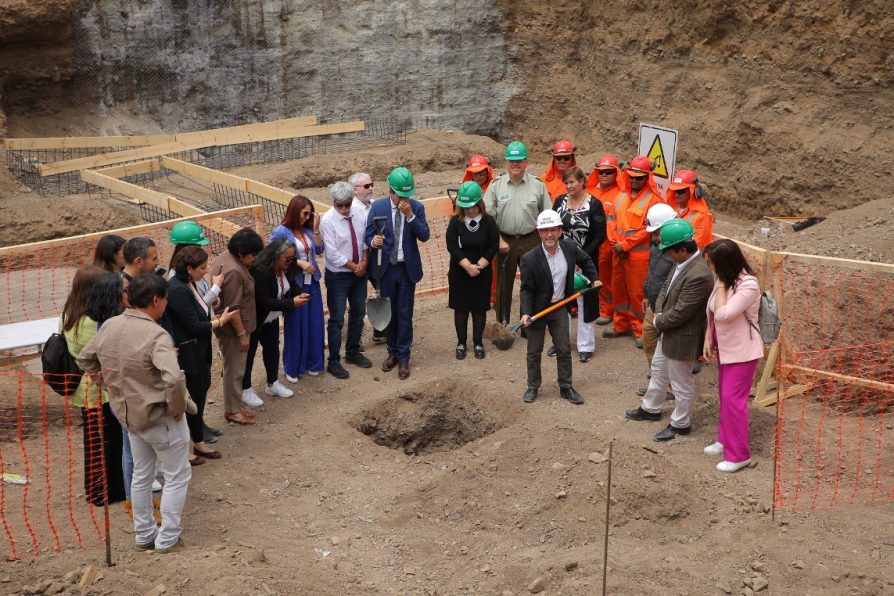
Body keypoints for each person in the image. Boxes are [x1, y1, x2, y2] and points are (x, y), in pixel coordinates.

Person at [79, 273, 196, 554]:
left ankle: (144, 534)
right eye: (165, 299)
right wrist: (177, 409)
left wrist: (108, 385)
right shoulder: (156, 334)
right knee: (177, 475)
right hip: (160, 416)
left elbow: (85, 358)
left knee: (141, 474)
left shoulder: (109, 326)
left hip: (129, 416)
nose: (167, 303)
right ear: (156, 300)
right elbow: (174, 378)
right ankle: (168, 537)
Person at [624, 219, 713, 442]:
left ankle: (681, 423)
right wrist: (659, 313)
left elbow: (682, 311)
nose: (666, 254)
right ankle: (651, 408)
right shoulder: (682, 262)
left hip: (682, 337)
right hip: (668, 330)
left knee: (681, 382)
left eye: (669, 250)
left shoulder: (699, 274)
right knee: (658, 370)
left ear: (682, 249)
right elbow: (665, 289)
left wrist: (658, 322)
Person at [60, 265, 126, 507]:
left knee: (94, 442)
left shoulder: (68, 312)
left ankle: (95, 488)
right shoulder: (91, 321)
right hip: (100, 388)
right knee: (108, 442)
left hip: (85, 389)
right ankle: (109, 490)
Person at [519, 210, 599, 405]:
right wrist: (526, 313)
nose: (549, 235)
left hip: (559, 307)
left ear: (560, 231)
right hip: (538, 311)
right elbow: (527, 289)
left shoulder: (569, 247)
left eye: (553, 230)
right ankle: (533, 386)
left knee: (563, 349)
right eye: (545, 230)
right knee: (534, 351)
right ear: (538, 232)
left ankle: (566, 387)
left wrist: (594, 279)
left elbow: (586, 260)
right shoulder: (529, 259)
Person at [166, 246, 237, 465]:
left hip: (198, 350)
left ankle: (198, 441)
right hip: (188, 352)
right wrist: (220, 321)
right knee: (188, 400)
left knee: (199, 395)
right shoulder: (177, 289)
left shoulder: (188, 284)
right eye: (202, 268)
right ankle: (185, 447)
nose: (205, 272)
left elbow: (199, 310)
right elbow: (193, 325)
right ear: (188, 268)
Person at [703, 239, 763, 473]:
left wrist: (719, 283)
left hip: (743, 351)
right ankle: (725, 438)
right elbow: (710, 311)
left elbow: (723, 313)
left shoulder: (748, 285)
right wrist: (709, 337)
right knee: (724, 396)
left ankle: (739, 455)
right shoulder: (725, 280)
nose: (711, 267)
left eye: (713, 264)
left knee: (733, 400)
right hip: (727, 348)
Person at [366, 166, 430, 380]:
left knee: (405, 313)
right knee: (389, 313)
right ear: (390, 190)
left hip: (406, 269)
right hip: (386, 270)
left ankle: (403, 357)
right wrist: (373, 241)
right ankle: (392, 353)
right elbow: (368, 235)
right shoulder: (378, 207)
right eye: (399, 195)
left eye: (406, 195)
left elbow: (425, 235)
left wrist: (410, 215)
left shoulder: (416, 208)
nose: (402, 199)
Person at [167, 220, 225, 444]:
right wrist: (216, 288)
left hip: (200, 338)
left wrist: (210, 300)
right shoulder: (177, 281)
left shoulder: (190, 276)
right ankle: (196, 429)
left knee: (203, 385)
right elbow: (193, 309)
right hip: (191, 342)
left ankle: (200, 424)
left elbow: (200, 302)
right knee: (195, 387)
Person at [483, 141, 552, 324]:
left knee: (531, 283)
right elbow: (488, 218)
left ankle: (528, 323)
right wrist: (498, 241)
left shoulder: (538, 186)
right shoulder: (496, 186)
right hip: (504, 241)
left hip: (532, 240)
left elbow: (547, 216)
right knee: (503, 284)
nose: (515, 164)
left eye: (519, 160)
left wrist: (546, 243)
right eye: (512, 160)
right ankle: (502, 325)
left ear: (526, 162)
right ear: (506, 162)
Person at [604, 156, 662, 349]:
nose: (635, 181)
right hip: (618, 252)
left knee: (637, 294)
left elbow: (648, 230)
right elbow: (611, 220)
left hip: (638, 257)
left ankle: (640, 330)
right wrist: (615, 243)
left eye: (639, 178)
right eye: (632, 177)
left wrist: (625, 245)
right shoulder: (620, 196)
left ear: (647, 178)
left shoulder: (654, 202)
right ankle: (620, 324)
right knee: (618, 289)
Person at [244, 238, 310, 401]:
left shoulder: (285, 268)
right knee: (249, 354)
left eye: (293, 258)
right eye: (287, 258)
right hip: (256, 319)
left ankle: (272, 383)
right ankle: (245, 388)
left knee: (272, 350)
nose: (291, 261)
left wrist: (299, 293)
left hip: (271, 319)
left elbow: (291, 284)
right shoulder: (261, 272)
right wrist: (291, 303)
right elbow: (264, 301)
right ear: (275, 256)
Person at [551, 166, 606, 362]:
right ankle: (560, 342)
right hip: (561, 258)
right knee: (560, 300)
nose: (568, 186)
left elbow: (600, 235)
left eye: (572, 182)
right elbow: (553, 228)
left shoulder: (594, 204)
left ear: (582, 181)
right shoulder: (559, 201)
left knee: (586, 301)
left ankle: (586, 345)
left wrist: (580, 258)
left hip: (586, 260)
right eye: (566, 182)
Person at [211, 228, 264, 425]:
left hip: (231, 329)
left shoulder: (227, 257)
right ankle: (232, 410)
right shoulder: (233, 270)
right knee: (235, 370)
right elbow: (233, 307)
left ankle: (235, 404)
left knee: (236, 368)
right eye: (253, 254)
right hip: (233, 331)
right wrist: (242, 334)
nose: (255, 258)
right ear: (242, 253)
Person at [270, 196, 325, 380]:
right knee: (295, 326)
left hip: (313, 282)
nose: (307, 217)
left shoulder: (308, 229)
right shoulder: (281, 231)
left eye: (309, 213)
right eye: (304, 213)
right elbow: (272, 256)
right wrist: (298, 261)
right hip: (295, 284)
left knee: (315, 323)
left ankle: (314, 363)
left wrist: (316, 230)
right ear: (295, 211)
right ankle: (293, 367)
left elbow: (319, 250)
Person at [320, 181, 371, 379]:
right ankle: (334, 361)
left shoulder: (359, 214)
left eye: (347, 204)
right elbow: (332, 254)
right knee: (337, 319)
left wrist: (364, 261)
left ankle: (352, 352)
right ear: (333, 202)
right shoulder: (327, 221)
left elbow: (365, 239)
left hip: (359, 273)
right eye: (339, 205)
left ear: (352, 201)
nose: (343, 209)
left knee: (358, 313)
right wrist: (354, 266)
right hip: (339, 276)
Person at [445, 181, 499, 360]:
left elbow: (493, 245)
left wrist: (481, 265)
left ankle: (478, 342)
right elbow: (452, 245)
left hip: (481, 272)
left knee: (479, 309)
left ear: (479, 204)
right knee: (460, 309)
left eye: (473, 207)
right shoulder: (455, 222)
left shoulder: (489, 221)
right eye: (465, 207)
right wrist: (467, 265)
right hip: (460, 271)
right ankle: (461, 342)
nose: (469, 211)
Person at [636, 203, 677, 396]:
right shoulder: (656, 248)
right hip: (653, 306)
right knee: (649, 343)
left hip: (667, 309)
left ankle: (666, 388)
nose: (653, 238)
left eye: (656, 233)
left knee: (666, 351)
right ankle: (657, 382)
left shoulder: (678, 253)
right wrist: (646, 293)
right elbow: (651, 272)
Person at [586, 155, 624, 325]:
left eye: (609, 172)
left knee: (607, 279)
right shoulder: (591, 191)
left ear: (616, 173)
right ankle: (593, 306)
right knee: (590, 275)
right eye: (601, 171)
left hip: (609, 245)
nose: (604, 174)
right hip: (591, 243)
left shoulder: (620, 194)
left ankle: (607, 310)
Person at [349, 173, 385, 346]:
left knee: (382, 290)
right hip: (359, 261)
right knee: (358, 301)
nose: (371, 188)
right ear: (355, 190)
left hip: (377, 257)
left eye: (371, 184)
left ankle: (381, 330)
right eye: (366, 186)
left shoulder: (374, 205)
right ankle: (355, 342)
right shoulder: (352, 210)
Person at [667, 170, 714, 250]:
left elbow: (695, 247)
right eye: (675, 191)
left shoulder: (702, 216)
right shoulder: (673, 209)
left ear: (692, 191)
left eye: (680, 191)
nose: (676, 195)